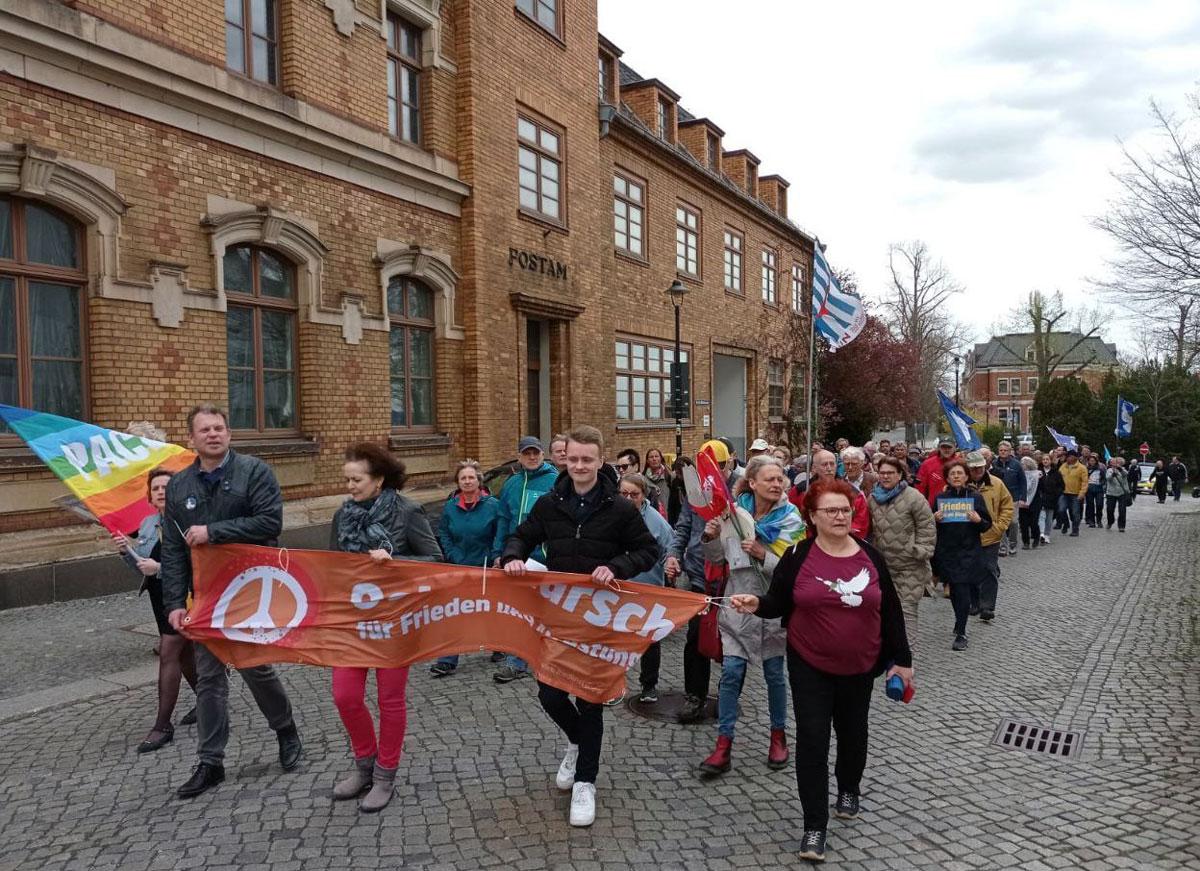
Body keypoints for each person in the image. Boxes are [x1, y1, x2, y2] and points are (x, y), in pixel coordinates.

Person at [730, 477, 913, 864]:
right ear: (812, 516)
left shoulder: (870, 556)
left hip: (860, 663)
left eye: (845, 509)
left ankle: (849, 786)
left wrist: (903, 660)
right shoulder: (798, 555)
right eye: (831, 510)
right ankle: (815, 826)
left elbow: (891, 610)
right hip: (809, 662)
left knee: (852, 731)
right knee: (812, 739)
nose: (840, 516)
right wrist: (755, 603)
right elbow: (778, 601)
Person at [501, 425, 657, 827]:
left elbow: (647, 550)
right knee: (550, 693)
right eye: (573, 459)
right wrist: (514, 556)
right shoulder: (551, 503)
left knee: (590, 697)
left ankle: (586, 780)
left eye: (587, 459)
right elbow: (521, 536)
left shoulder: (620, 507)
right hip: (559, 615)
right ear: (563, 460)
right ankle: (575, 741)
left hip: (599, 617)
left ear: (600, 460)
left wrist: (617, 567)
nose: (580, 466)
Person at [161, 403, 301, 799]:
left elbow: (270, 524)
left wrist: (214, 532)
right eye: (204, 430)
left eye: (219, 427)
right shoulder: (179, 486)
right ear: (192, 439)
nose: (213, 434)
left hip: (250, 589)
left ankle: (286, 730)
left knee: (255, 667)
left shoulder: (254, 472)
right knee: (208, 676)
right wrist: (174, 602)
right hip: (206, 596)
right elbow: (172, 549)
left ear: (228, 433)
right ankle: (211, 762)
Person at [329, 443, 442, 812]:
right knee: (345, 695)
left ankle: (384, 774)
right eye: (347, 479)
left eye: (356, 479)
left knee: (390, 700)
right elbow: (332, 567)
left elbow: (435, 560)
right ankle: (364, 764)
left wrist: (395, 560)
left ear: (378, 480)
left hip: (395, 619)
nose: (350, 486)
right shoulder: (342, 515)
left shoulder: (407, 511)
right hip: (353, 620)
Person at [697, 456, 804, 779]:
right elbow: (718, 558)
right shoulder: (733, 514)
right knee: (730, 673)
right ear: (752, 483)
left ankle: (778, 736)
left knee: (774, 674)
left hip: (773, 602)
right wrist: (711, 535)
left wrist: (763, 554)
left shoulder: (791, 518)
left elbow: (797, 567)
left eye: (780, 479)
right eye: (770, 479)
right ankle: (723, 743)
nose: (777, 484)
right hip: (738, 600)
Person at [113, 467, 197, 753]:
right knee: (185, 655)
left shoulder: (190, 523)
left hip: (186, 598)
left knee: (169, 651)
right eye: (156, 488)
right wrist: (126, 551)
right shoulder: (148, 524)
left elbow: (198, 568)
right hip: (159, 597)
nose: (161, 491)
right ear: (149, 496)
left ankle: (163, 725)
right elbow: (141, 567)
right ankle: (208, 699)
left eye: (166, 487)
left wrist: (159, 568)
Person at [493, 436, 559, 683]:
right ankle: (516, 662)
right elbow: (502, 520)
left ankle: (550, 660)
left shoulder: (555, 482)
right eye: (526, 453)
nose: (532, 457)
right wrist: (499, 552)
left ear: (543, 455)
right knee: (519, 612)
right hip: (516, 560)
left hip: (545, 560)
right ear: (520, 457)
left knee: (549, 613)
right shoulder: (512, 484)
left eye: (536, 453)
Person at [431, 460, 503, 677]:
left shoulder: (492, 505)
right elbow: (443, 532)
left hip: (486, 567)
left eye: (471, 477)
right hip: (460, 566)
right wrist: (452, 554)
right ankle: (447, 659)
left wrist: (495, 555)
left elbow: (499, 532)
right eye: (463, 478)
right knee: (456, 613)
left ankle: (500, 645)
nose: (467, 481)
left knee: (491, 610)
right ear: (458, 482)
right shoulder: (451, 507)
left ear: (478, 480)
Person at [617, 473, 674, 704]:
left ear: (643, 495)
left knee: (650, 640)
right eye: (624, 494)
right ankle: (613, 684)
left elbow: (670, 546)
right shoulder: (611, 514)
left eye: (634, 494)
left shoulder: (655, 520)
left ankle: (649, 684)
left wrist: (670, 561)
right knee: (616, 639)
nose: (629, 498)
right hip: (618, 588)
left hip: (648, 588)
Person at [866, 456, 935, 644]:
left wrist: (921, 550)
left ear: (900, 475)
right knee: (885, 612)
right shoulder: (872, 499)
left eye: (890, 473)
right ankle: (890, 654)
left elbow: (926, 526)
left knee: (907, 613)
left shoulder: (914, 497)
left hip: (909, 565)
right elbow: (867, 528)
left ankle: (907, 659)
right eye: (882, 473)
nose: (886, 476)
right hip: (883, 567)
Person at [665, 453, 713, 724]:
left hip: (730, 580)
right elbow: (682, 528)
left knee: (731, 643)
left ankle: (731, 692)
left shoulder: (737, 494)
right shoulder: (694, 496)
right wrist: (673, 554)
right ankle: (694, 695)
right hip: (698, 577)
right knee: (695, 638)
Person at [932, 459, 993, 651]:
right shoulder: (940, 498)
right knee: (954, 591)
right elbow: (927, 524)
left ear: (966, 476)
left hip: (969, 551)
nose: (956, 477)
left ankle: (961, 632)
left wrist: (977, 519)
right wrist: (934, 519)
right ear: (948, 478)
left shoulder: (975, 498)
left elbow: (987, 525)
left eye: (960, 473)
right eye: (953, 474)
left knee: (963, 589)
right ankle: (960, 621)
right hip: (947, 551)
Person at [966, 451, 1013, 624]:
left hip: (990, 535)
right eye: (973, 468)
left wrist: (999, 526)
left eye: (980, 466)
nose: (977, 470)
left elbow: (1007, 507)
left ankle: (987, 606)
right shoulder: (962, 484)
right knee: (971, 571)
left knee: (989, 569)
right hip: (968, 536)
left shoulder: (997, 483)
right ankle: (975, 602)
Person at [789, 449, 870, 539]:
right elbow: (791, 518)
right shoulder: (800, 491)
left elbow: (860, 525)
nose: (829, 468)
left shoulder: (853, 492)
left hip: (841, 543)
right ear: (814, 468)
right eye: (824, 464)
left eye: (832, 464)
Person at [991, 441, 1026, 556]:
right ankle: (1002, 546)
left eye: (1005, 450)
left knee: (1013, 522)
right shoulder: (994, 464)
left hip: (1013, 497)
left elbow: (1023, 481)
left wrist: (1023, 497)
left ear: (1010, 451)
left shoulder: (1016, 464)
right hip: (998, 498)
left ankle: (1012, 543)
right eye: (1001, 450)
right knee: (999, 522)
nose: (1003, 452)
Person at [916, 438, 956, 508]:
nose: (946, 450)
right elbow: (920, 487)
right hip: (933, 507)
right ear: (939, 448)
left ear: (954, 448)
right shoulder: (927, 464)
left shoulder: (960, 463)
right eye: (943, 447)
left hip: (956, 507)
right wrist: (922, 505)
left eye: (949, 447)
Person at [1058, 449, 1088, 534]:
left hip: (1076, 494)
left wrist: (1082, 493)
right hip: (1064, 493)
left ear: (1075, 457)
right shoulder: (1063, 466)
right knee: (1061, 510)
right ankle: (1066, 523)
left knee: (1075, 512)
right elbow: (1058, 478)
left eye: (1070, 456)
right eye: (1067, 456)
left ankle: (1075, 529)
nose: (1068, 458)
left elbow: (1085, 482)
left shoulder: (1082, 468)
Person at [1017, 456, 1042, 550]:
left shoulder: (1038, 475)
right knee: (1023, 524)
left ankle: (1036, 538)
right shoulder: (1020, 475)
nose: (1022, 465)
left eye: (1024, 464)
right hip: (1022, 500)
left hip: (1035, 501)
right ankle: (1026, 542)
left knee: (1033, 522)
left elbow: (1042, 488)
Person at [1038, 452, 1063, 543]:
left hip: (1052, 498)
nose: (1045, 461)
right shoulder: (1038, 471)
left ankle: (1047, 534)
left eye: (1047, 459)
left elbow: (1061, 485)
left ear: (1050, 461)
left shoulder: (1056, 473)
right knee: (1041, 515)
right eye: (1043, 459)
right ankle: (1041, 533)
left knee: (1049, 517)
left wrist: (1057, 494)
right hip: (1041, 497)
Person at [1104, 457, 1131, 532]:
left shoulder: (1123, 470)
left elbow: (1126, 474)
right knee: (1109, 509)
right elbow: (1107, 478)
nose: (1116, 464)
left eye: (1118, 463)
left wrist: (1120, 469)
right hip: (1111, 493)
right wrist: (1113, 474)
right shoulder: (1109, 470)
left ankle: (1121, 526)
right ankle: (1110, 521)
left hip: (1121, 492)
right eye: (1115, 463)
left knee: (1122, 510)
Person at [666, 455, 692, 528]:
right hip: (679, 521)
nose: (679, 476)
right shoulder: (675, 483)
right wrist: (671, 524)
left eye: (679, 473)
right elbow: (671, 506)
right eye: (677, 473)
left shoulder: (695, 482)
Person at [1084, 454, 1106, 528]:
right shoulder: (1086, 469)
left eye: (1093, 461)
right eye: (1090, 461)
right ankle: (1091, 521)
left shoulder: (1101, 468)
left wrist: (1101, 483)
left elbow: (1104, 478)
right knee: (1090, 505)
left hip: (1098, 489)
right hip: (1089, 489)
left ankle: (1099, 520)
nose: (1092, 462)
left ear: (1096, 461)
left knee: (1099, 504)